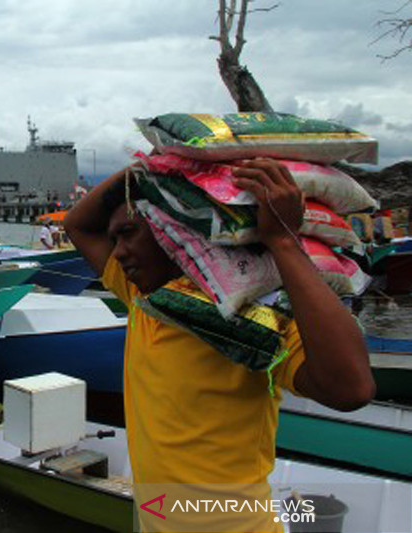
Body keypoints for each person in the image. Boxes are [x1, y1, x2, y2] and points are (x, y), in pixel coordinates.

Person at [64, 158, 375, 531]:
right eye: (115, 239)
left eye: (129, 233)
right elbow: (77, 224)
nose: (117, 252)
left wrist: (282, 242)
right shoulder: (145, 301)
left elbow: (351, 388)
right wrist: (154, 168)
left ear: (175, 230)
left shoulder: (250, 320)